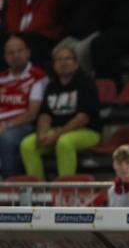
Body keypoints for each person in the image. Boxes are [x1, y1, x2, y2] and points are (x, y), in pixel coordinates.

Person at [20, 43, 100, 179]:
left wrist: (56, 135)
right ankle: (38, 190)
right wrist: (42, 134)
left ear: (76, 63)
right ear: (54, 65)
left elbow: (83, 117)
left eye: (68, 59)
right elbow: (45, 115)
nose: (63, 62)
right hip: (56, 131)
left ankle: (64, 189)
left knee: (64, 142)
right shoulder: (51, 86)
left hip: (87, 131)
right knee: (27, 145)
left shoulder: (86, 83)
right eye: (59, 59)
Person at [0, 36, 48, 178]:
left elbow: (32, 114)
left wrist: (7, 125)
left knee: (6, 139)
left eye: (19, 51)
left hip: (24, 126)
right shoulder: (1, 78)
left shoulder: (37, 77)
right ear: (5, 56)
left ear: (28, 52)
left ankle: (9, 188)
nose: (16, 55)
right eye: (11, 52)